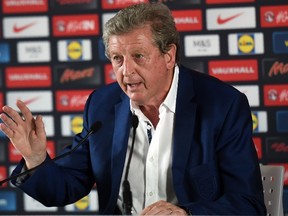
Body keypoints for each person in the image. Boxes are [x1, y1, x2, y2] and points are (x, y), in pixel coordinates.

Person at [0, 2, 266, 215]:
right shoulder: (102, 105)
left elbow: (247, 204)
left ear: (169, 55)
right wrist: (35, 160)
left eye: (138, 56)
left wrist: (186, 214)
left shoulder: (223, 105)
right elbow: (65, 189)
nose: (126, 71)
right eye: (117, 59)